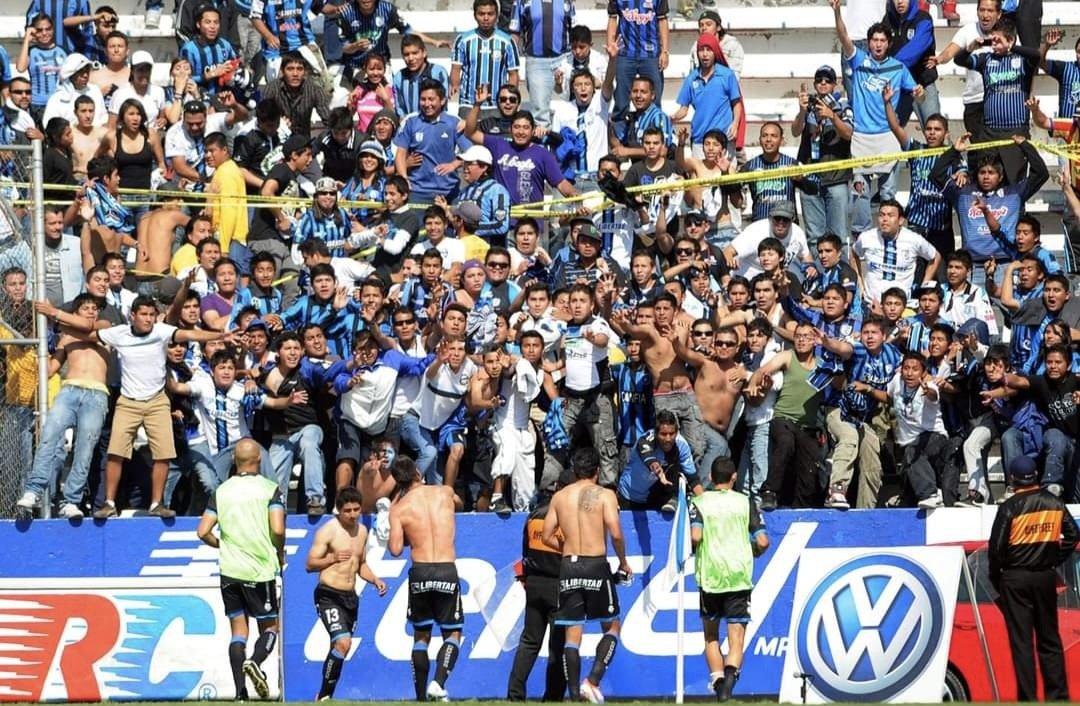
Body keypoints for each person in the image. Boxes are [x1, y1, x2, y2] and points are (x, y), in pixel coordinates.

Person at [196, 438, 284, 701]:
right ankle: (255, 662)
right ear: (258, 459)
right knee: (270, 628)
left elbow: (202, 531)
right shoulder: (270, 489)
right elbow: (278, 529)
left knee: (238, 632)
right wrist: (279, 552)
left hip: (229, 570)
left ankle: (240, 694)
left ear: (235, 460)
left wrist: (222, 545)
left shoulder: (221, 491)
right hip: (260, 570)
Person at [542, 447, 631, 703]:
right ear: (597, 471)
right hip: (595, 563)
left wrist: (568, 548)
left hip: (569, 565)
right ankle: (592, 682)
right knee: (612, 626)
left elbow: (547, 536)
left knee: (572, 633)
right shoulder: (605, 495)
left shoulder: (560, 496)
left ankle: (572, 695)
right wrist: (623, 562)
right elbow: (615, 533)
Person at [988, 456, 1078, 702]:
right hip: (1046, 576)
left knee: (1022, 643)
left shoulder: (1009, 507)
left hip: (1016, 578)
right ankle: (1058, 696)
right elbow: (1073, 534)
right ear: (1036, 474)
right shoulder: (1054, 502)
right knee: (1050, 639)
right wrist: (1053, 558)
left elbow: (996, 550)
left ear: (1012, 479)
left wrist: (997, 579)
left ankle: (1027, 698)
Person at [690, 457, 769, 702]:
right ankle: (729, 682)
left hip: (710, 576)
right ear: (734, 477)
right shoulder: (746, 503)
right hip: (738, 577)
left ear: (711, 479)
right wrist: (754, 552)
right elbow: (763, 541)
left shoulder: (700, 502)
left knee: (711, 636)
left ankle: (718, 680)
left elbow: (695, 536)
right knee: (736, 638)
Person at [388, 457, 464, 702]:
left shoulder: (399, 508)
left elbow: (396, 549)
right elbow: (459, 505)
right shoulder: (444, 492)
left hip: (420, 570)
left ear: (398, 483)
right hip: (445, 568)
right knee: (452, 634)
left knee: (421, 636)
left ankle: (421, 697)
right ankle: (438, 683)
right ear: (419, 472)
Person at [305, 486, 388, 700]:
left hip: (350, 597)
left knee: (341, 647)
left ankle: (324, 696)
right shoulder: (328, 531)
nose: (352, 515)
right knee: (343, 642)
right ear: (338, 510)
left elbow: (361, 564)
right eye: (347, 510)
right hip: (328, 594)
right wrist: (332, 558)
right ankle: (324, 696)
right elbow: (310, 564)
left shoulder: (362, 531)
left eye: (356, 509)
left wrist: (375, 580)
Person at [506, 469, 569, 701]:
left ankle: (514, 695)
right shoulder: (566, 515)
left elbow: (525, 552)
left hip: (534, 585)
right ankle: (552, 697)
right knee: (558, 645)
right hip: (559, 586)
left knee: (529, 642)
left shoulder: (534, 514)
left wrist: (526, 579)